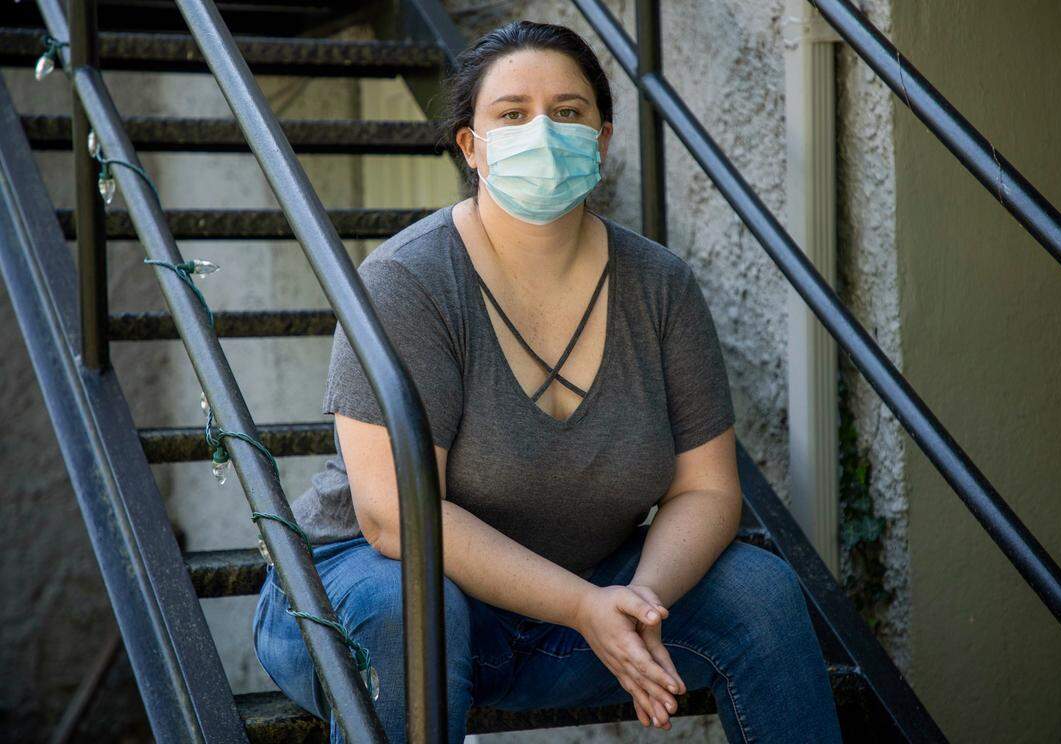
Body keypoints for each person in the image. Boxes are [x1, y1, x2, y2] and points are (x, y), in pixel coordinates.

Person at [252, 18, 843, 744]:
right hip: (370, 600)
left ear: (601, 139)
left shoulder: (660, 286)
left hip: (572, 611)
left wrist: (638, 605)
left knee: (762, 591)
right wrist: (584, 606)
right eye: (512, 114)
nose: (542, 130)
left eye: (568, 113)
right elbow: (393, 517)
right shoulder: (408, 281)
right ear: (471, 146)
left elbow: (707, 489)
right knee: (412, 610)